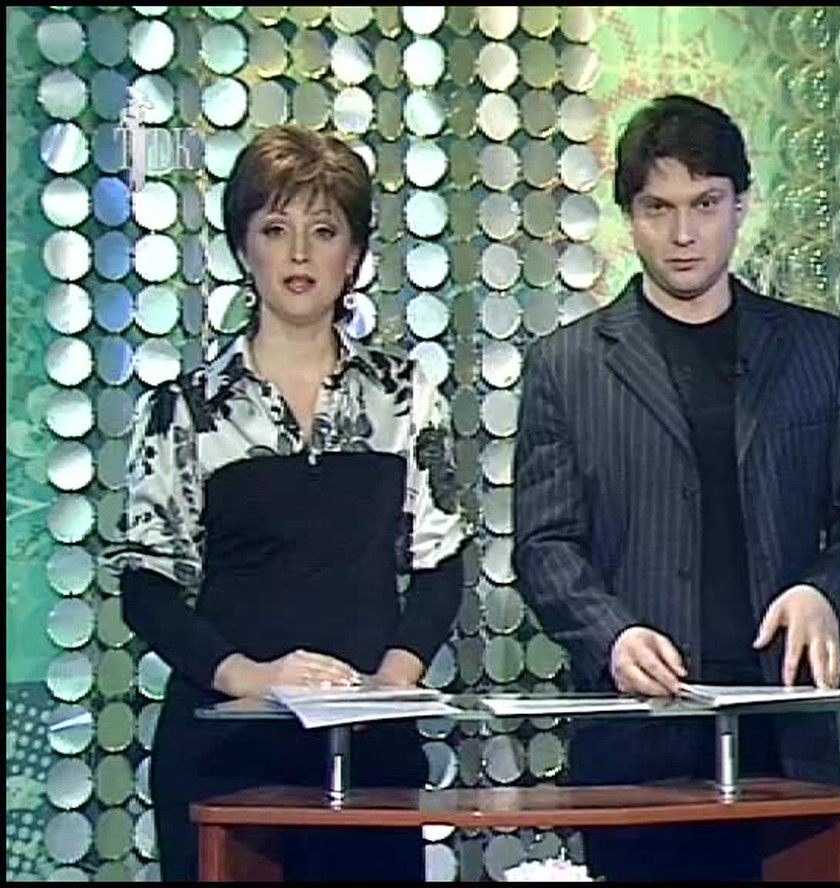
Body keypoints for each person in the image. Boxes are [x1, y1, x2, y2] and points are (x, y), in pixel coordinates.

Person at [512, 94, 840, 881]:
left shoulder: (814, 348)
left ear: (741, 206)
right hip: (636, 741)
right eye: (658, 208)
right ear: (629, 217)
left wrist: (825, 592)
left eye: (705, 203)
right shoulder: (568, 365)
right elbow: (544, 544)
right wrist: (612, 636)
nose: (683, 233)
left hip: (784, 739)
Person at [104, 125, 469, 882]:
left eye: (323, 231)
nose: (299, 254)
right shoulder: (185, 409)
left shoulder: (404, 396)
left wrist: (389, 685)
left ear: (354, 254)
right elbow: (148, 590)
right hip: (226, 760)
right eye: (275, 230)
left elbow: (440, 567)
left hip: (367, 761)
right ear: (245, 249)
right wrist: (254, 677)